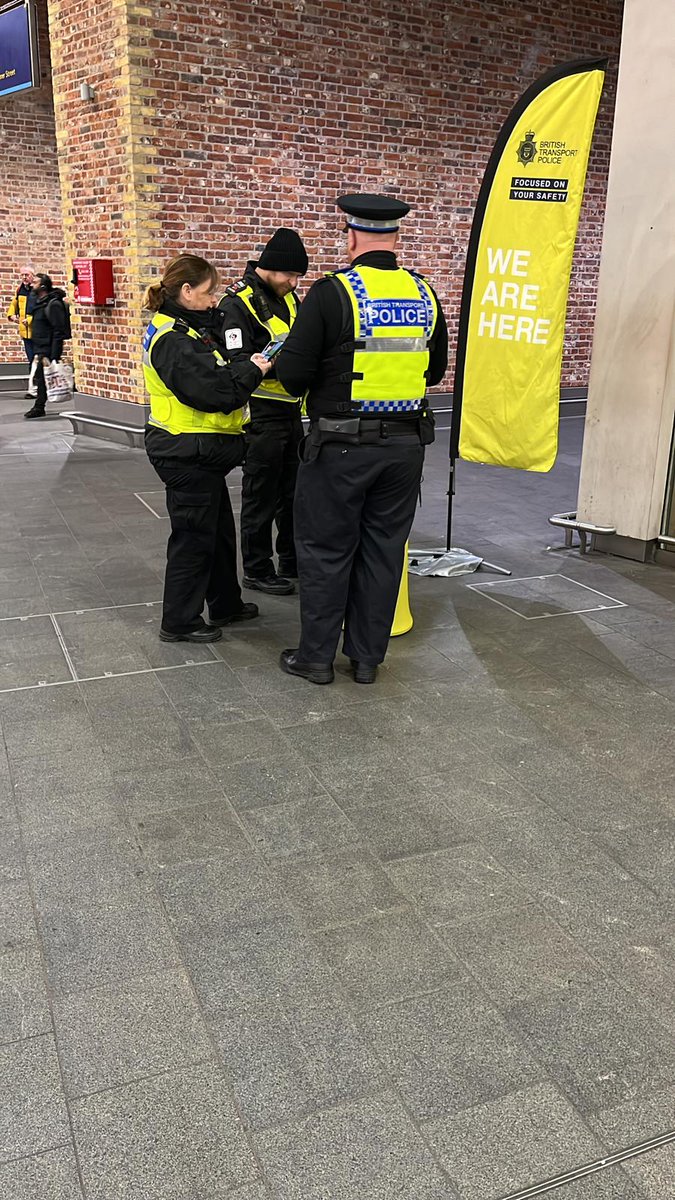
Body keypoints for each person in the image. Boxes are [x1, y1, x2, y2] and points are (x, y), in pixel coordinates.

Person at [276, 193, 449, 685]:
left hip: (341, 447)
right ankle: (367, 658)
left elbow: (292, 376)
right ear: (396, 237)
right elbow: (433, 369)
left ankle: (315, 658)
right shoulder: (424, 293)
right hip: (405, 448)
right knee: (383, 549)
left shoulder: (333, 293)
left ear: (350, 236)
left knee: (327, 549)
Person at [143, 253, 272, 643]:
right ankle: (179, 621)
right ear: (185, 291)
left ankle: (225, 603)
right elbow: (219, 393)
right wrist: (255, 369)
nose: (215, 299)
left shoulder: (184, 327)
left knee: (216, 533)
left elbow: (216, 363)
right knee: (193, 539)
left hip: (198, 450)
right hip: (184, 451)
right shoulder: (173, 342)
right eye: (208, 292)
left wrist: (244, 358)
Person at [217, 228, 308, 595]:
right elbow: (238, 361)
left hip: (289, 409)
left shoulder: (289, 298)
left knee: (293, 491)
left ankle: (291, 558)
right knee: (261, 493)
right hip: (260, 411)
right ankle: (257, 568)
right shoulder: (237, 304)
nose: (293, 281)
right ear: (269, 268)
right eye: (289, 274)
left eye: (298, 275)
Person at [24, 274, 70, 419]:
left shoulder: (53, 304)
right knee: (40, 377)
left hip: (49, 348)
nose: (32, 285)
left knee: (41, 377)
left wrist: (55, 354)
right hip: (41, 346)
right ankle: (39, 406)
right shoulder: (41, 303)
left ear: (43, 285)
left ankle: (39, 406)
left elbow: (58, 330)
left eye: (36, 282)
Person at [7, 269, 37, 399]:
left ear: (32, 276)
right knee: (31, 360)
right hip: (25, 332)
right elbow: (14, 303)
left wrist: (29, 320)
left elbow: (39, 310)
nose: (24, 277)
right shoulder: (20, 290)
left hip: (37, 331)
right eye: (22, 275)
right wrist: (11, 315)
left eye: (27, 275)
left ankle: (38, 388)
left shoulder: (37, 291)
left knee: (38, 361)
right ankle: (34, 389)